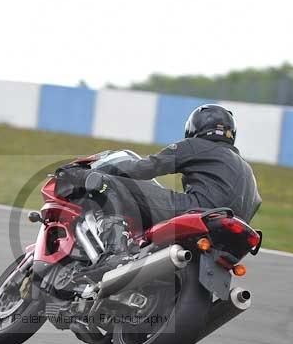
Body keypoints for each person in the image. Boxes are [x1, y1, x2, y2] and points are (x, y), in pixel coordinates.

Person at [65, 104, 262, 257]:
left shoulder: (196, 146)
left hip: (199, 212)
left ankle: (115, 250)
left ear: (195, 128)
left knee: (109, 184)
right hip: (231, 237)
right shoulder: (247, 169)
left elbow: (143, 169)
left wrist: (102, 170)